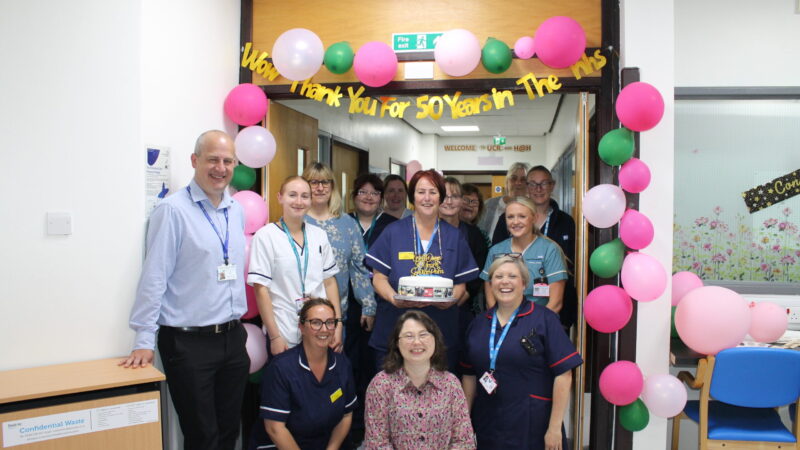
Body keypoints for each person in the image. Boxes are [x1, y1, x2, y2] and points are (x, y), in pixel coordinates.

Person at [121, 130, 249, 450]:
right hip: (188, 343)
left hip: (232, 338)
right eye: (213, 160)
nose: (220, 168)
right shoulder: (173, 211)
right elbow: (154, 277)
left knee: (229, 431)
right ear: (195, 161)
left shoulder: (236, 210)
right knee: (201, 436)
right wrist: (143, 339)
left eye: (227, 161)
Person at [461, 256, 582, 449]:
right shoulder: (478, 324)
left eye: (512, 276)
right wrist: (464, 424)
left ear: (524, 283)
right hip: (489, 425)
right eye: (498, 276)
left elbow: (564, 374)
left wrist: (554, 428)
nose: (505, 281)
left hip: (533, 426)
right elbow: (469, 376)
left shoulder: (545, 320)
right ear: (491, 284)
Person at [366, 169, 479, 371]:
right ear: (412, 197)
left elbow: (461, 284)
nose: (427, 198)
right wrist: (394, 298)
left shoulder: (454, 236)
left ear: (441, 197)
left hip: (440, 328)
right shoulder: (393, 232)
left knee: (438, 396)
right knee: (391, 395)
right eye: (421, 192)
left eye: (433, 192)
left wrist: (451, 300)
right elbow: (378, 278)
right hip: (395, 326)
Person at [248, 175, 342, 355]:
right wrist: (275, 337)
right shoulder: (266, 236)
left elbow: (329, 282)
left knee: (321, 379)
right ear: (280, 197)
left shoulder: (319, 235)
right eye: (292, 195)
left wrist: (337, 324)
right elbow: (261, 289)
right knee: (288, 380)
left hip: (321, 328)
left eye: (305, 196)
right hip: (284, 328)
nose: (299, 201)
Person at [250, 298, 356, 450]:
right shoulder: (281, 368)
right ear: (301, 327)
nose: (324, 329)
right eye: (316, 323)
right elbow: (275, 428)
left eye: (330, 322)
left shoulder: (342, 365)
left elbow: (346, 415)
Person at [364, 310, 475, 449]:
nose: (417, 342)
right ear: (397, 343)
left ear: (436, 339)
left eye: (423, 335)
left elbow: (464, 441)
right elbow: (377, 443)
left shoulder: (450, 384)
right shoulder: (381, 385)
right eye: (408, 336)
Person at [345, 173, 397, 447]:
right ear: (353, 196)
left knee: (377, 367)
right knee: (349, 365)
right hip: (348, 305)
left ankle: (378, 428)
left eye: (374, 193)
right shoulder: (343, 223)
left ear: (381, 198)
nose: (368, 197)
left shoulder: (393, 225)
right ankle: (351, 428)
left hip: (384, 304)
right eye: (362, 192)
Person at [491, 166, 577, 327]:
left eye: (544, 183)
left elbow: (571, 265)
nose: (538, 189)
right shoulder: (507, 219)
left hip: (554, 306)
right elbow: (495, 262)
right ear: (526, 187)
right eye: (533, 184)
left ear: (552, 185)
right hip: (511, 305)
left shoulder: (566, 222)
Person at [302, 162, 376, 334]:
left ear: (332, 186)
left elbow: (359, 268)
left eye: (325, 182)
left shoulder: (347, 224)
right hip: (299, 313)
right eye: (314, 182)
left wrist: (368, 306)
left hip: (336, 315)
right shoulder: (297, 221)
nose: (320, 188)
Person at [482, 197, 567, 313]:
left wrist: (532, 326)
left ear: (534, 218)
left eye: (522, 216)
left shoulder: (549, 249)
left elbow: (555, 303)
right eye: (510, 217)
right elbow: (490, 299)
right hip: (504, 321)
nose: (515, 222)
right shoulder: (496, 250)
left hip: (539, 322)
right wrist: (500, 322)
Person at [441, 177, 488, 315]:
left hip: (461, 304)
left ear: (461, 200)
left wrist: (458, 300)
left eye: (454, 196)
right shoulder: (426, 230)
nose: (449, 201)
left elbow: (478, 272)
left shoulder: (474, 234)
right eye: (444, 196)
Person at [477, 162, 529, 239]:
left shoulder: (533, 208)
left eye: (523, 179)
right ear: (507, 182)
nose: (518, 183)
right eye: (513, 178)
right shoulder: (488, 204)